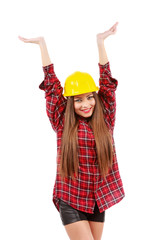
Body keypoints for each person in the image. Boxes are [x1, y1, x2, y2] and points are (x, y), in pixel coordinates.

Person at [19, 22, 125, 240]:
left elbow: (107, 85)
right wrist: (42, 45)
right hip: (71, 197)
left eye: (89, 98)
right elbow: (51, 87)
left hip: (97, 198)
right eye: (78, 100)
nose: (85, 104)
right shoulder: (61, 122)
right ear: (70, 102)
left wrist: (100, 41)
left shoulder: (106, 118)